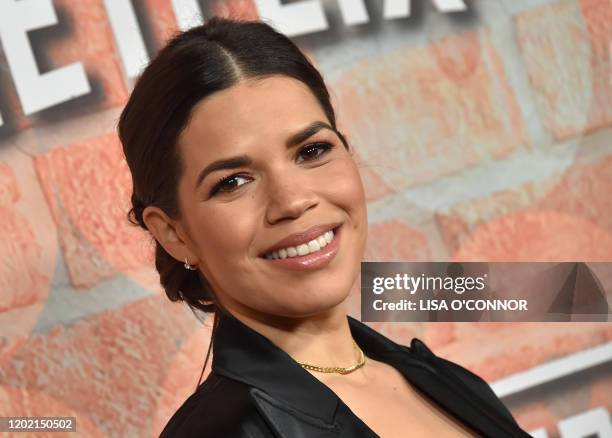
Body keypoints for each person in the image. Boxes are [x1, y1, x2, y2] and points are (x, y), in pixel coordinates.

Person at [118, 17, 530, 438]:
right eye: (233, 182)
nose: (293, 201)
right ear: (173, 233)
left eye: (312, 150)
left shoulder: (448, 382)